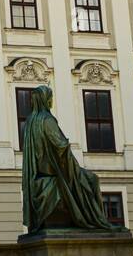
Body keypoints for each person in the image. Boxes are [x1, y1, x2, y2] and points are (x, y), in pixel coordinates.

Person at [21, 85, 118, 232]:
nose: (51, 100)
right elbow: (61, 146)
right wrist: (71, 159)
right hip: (55, 169)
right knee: (92, 179)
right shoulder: (47, 119)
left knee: (86, 178)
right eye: (50, 98)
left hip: (40, 171)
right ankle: (96, 221)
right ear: (46, 100)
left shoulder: (30, 121)